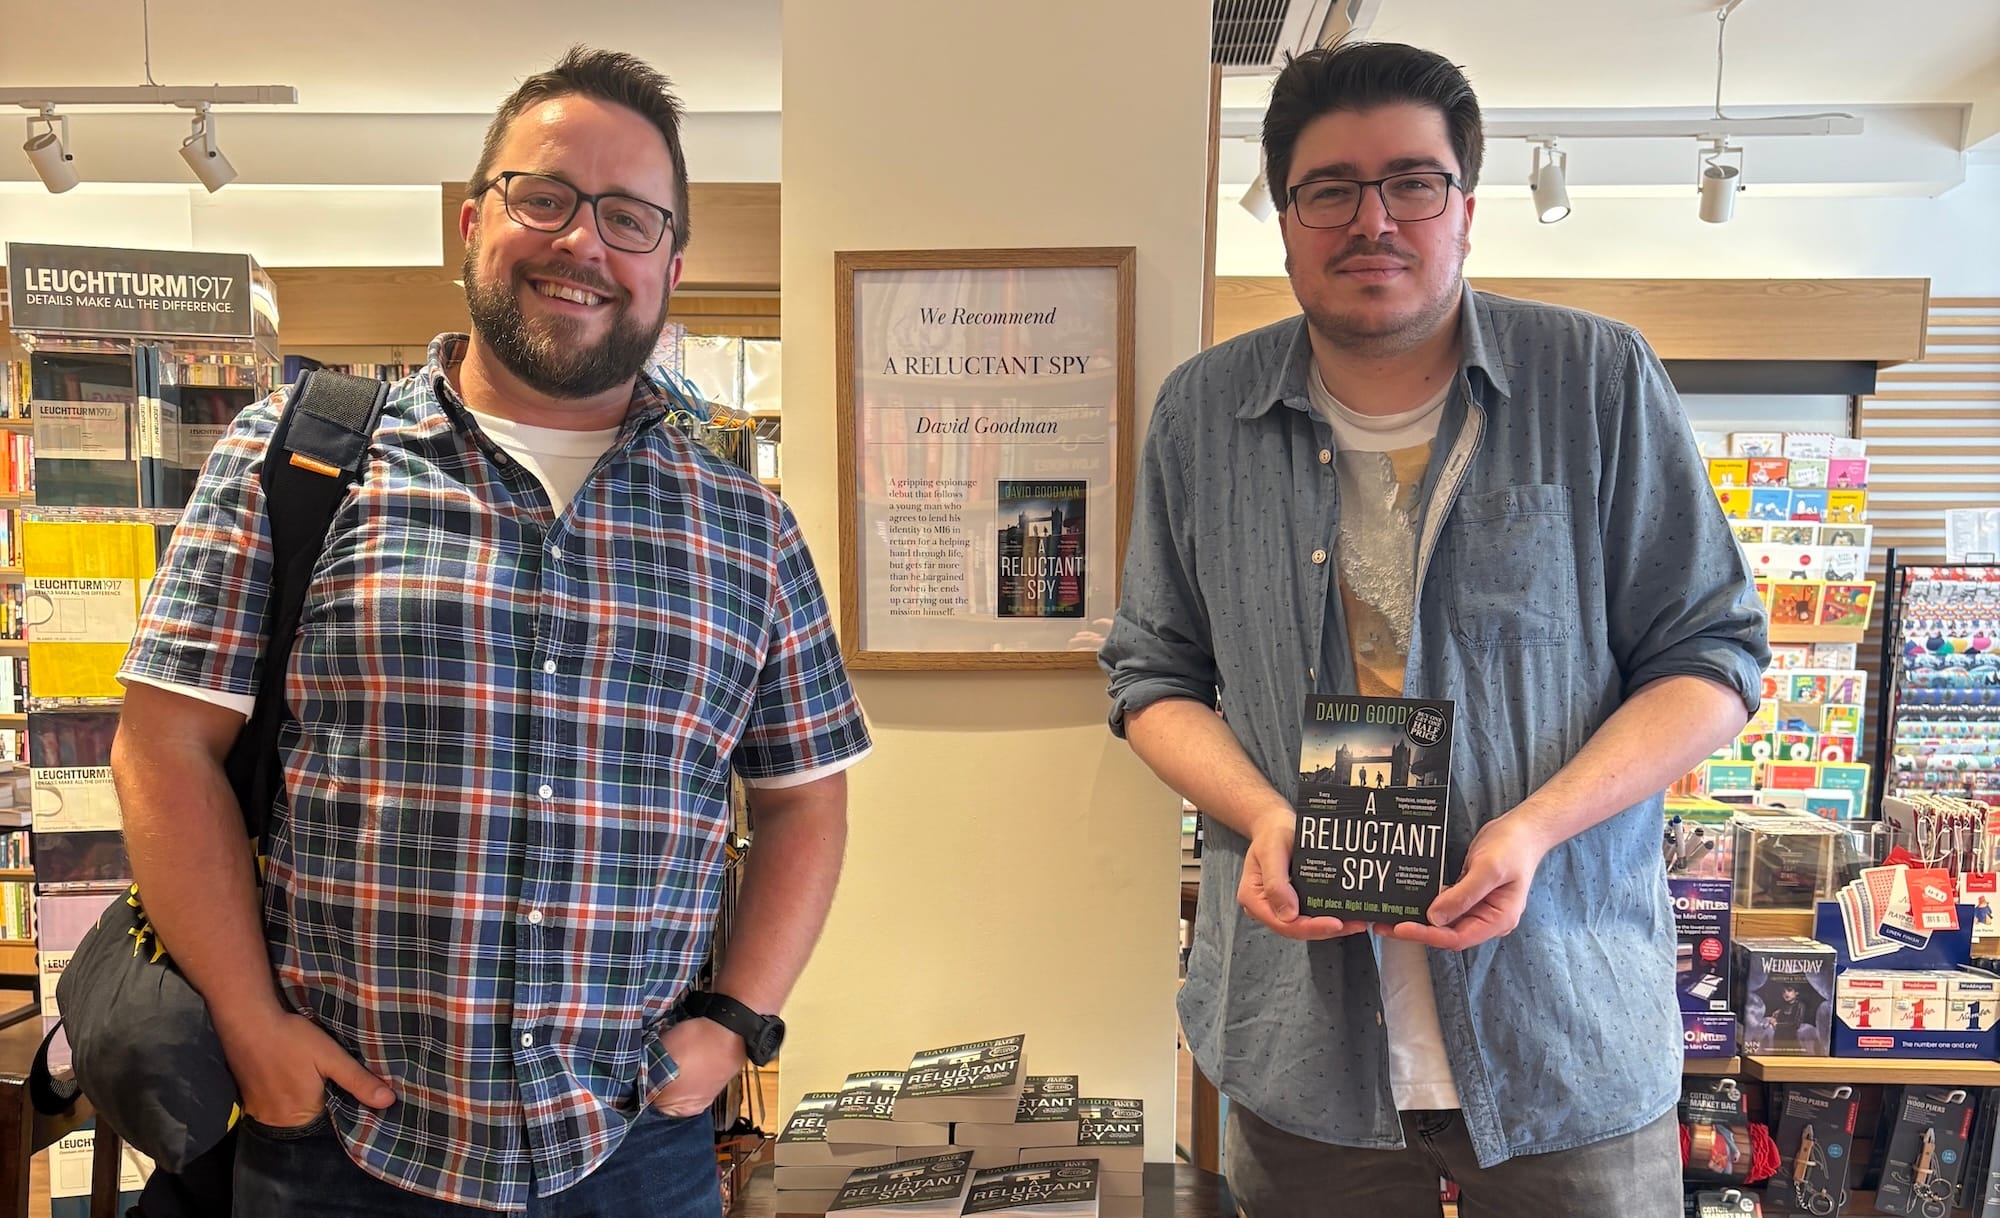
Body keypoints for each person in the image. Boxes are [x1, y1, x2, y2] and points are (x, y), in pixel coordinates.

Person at [113, 46, 870, 1216]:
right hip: (337, 1144)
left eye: (629, 218)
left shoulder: (746, 523)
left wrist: (733, 1024)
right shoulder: (297, 458)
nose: (583, 244)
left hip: (631, 1154)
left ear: (672, 259)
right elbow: (164, 746)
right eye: (545, 198)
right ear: (473, 221)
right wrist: (250, 1023)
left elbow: (804, 797)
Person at [1100, 42, 1767, 1218]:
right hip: (1299, 1045)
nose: (1373, 219)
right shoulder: (1201, 413)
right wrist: (1261, 816)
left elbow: (1710, 659)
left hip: (1562, 1025)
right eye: (1329, 190)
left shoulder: (1594, 381)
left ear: (1464, 206)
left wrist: (1531, 827)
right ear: (1287, 218)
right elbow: (1151, 674)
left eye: (1411, 182)